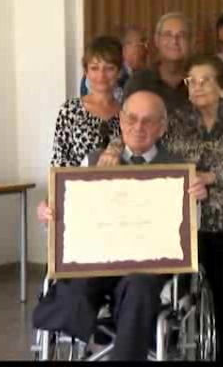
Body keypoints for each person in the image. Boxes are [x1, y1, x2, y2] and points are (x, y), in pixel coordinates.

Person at [32, 90, 208, 361]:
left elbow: (189, 233)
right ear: (121, 121)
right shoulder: (92, 161)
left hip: (148, 266)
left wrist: (196, 201)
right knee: (78, 282)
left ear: (162, 127)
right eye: (132, 119)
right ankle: (88, 338)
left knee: (139, 286)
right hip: (97, 260)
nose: (139, 127)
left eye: (149, 121)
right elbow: (71, 216)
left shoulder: (179, 169)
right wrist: (49, 213)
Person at [160, 54, 223, 361]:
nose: (198, 87)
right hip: (188, 223)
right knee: (182, 296)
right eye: (192, 81)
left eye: (206, 81)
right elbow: (148, 148)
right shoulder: (173, 120)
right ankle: (180, 351)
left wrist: (210, 177)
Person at [51, 35, 123, 168]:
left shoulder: (128, 112)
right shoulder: (70, 110)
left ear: (119, 72)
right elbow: (58, 163)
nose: (101, 75)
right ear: (86, 72)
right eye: (95, 68)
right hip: (78, 186)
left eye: (109, 68)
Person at [124, 12, 193, 113]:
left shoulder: (200, 81)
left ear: (191, 41)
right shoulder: (139, 82)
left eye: (182, 36)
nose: (175, 41)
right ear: (157, 40)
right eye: (168, 35)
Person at [80, 25, 149, 99]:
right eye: (142, 43)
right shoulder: (97, 78)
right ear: (126, 46)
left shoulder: (141, 75)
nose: (146, 49)